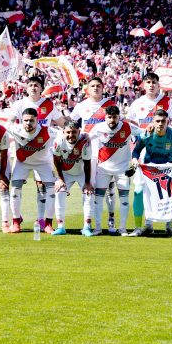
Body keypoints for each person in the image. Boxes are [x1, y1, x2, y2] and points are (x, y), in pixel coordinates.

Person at [7, 75, 65, 232]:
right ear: (26, 88)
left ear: (41, 88)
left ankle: (44, 222)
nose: (33, 87)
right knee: (15, 187)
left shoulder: (49, 105)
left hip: (43, 154)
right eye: (31, 85)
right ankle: (16, 220)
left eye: (36, 85)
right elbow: (9, 122)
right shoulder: (19, 104)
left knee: (44, 188)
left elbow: (63, 124)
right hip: (23, 153)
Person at [125, 71, 172, 229]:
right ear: (143, 85)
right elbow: (131, 124)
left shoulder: (167, 102)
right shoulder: (137, 103)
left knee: (167, 186)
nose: (151, 85)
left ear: (158, 84)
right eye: (148, 82)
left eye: (154, 82)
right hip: (143, 149)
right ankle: (147, 223)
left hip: (165, 149)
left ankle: (169, 223)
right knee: (143, 187)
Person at [70, 77, 119, 233]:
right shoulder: (81, 106)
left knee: (110, 188)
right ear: (87, 89)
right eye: (92, 86)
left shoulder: (110, 105)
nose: (96, 88)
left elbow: (119, 126)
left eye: (98, 85)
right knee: (90, 187)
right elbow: (71, 125)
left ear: (103, 87)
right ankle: (89, 224)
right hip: (88, 153)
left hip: (107, 151)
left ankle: (111, 221)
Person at [129, 109, 172, 238]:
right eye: (158, 121)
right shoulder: (146, 134)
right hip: (149, 169)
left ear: (168, 122)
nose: (160, 124)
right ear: (153, 122)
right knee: (138, 193)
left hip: (167, 169)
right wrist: (134, 159)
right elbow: (136, 150)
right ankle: (141, 227)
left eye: (163, 121)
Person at [7, 108, 57, 234]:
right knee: (14, 190)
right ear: (21, 121)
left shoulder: (48, 131)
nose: (28, 123)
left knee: (51, 191)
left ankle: (47, 223)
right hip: (22, 162)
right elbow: (0, 126)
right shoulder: (15, 129)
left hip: (43, 163)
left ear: (37, 121)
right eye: (26, 120)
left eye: (31, 121)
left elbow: (66, 133)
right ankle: (16, 221)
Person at [89, 105, 134, 236]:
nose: (112, 120)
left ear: (119, 117)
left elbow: (143, 134)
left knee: (124, 199)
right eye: (109, 117)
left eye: (115, 117)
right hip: (103, 168)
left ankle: (123, 229)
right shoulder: (98, 128)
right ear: (105, 117)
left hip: (123, 169)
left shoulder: (127, 127)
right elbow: (86, 138)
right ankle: (97, 228)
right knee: (98, 199)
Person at [51, 119, 95, 236]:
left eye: (74, 132)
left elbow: (87, 162)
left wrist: (87, 182)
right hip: (66, 172)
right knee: (59, 192)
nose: (71, 135)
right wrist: (60, 179)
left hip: (82, 172)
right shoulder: (58, 142)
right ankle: (60, 227)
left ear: (79, 131)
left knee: (88, 193)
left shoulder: (85, 140)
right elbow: (56, 161)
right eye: (68, 132)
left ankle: (87, 227)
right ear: (64, 132)